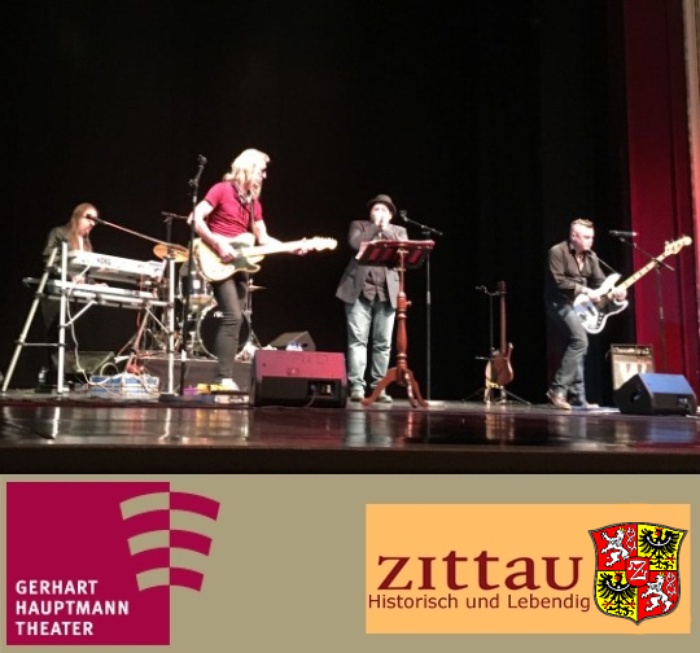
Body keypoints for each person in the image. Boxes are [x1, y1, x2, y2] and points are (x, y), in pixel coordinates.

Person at [190, 148, 304, 389]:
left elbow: (263, 238)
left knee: (237, 320)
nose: (265, 176)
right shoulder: (221, 189)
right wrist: (217, 243)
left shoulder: (254, 204)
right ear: (249, 168)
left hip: (240, 265)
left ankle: (225, 377)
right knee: (232, 315)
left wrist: (290, 248)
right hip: (216, 259)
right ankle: (222, 378)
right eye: (262, 170)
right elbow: (194, 219)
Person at [544, 218, 626, 409]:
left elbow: (600, 283)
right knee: (580, 341)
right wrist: (587, 291)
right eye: (587, 237)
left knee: (579, 345)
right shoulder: (557, 251)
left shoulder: (592, 257)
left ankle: (578, 397)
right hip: (559, 302)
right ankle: (557, 390)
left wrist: (616, 294)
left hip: (580, 305)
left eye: (592, 237)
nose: (591, 241)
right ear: (574, 236)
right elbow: (559, 283)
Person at [335, 194, 408, 402]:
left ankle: (379, 387)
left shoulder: (399, 231)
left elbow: (403, 253)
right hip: (359, 291)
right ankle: (357, 386)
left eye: (384, 210)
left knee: (383, 343)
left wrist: (386, 230)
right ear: (370, 213)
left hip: (387, 293)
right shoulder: (359, 226)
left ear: (391, 215)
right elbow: (354, 244)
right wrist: (376, 228)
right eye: (376, 209)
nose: (380, 213)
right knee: (358, 341)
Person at [40, 203, 99, 384]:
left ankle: (68, 376)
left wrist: (95, 284)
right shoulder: (59, 233)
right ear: (77, 216)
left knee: (69, 336)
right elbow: (48, 258)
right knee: (56, 333)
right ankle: (54, 378)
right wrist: (68, 275)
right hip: (56, 292)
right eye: (89, 218)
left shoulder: (87, 243)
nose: (92, 223)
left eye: (95, 220)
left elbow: (86, 272)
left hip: (75, 295)